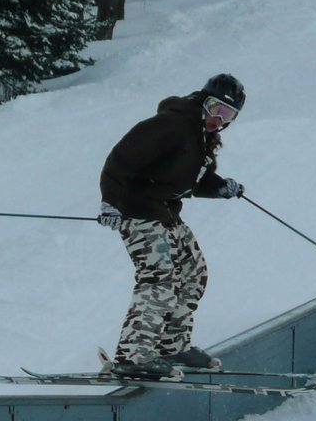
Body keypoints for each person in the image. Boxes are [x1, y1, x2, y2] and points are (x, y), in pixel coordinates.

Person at [98, 73, 247, 379]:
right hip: (138, 212)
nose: (219, 119)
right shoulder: (172, 125)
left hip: (165, 214)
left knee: (193, 272)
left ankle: (172, 345)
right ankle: (134, 355)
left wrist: (219, 187)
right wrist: (110, 201)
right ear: (203, 101)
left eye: (228, 114)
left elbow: (190, 180)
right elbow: (121, 158)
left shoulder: (202, 137)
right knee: (159, 278)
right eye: (216, 108)